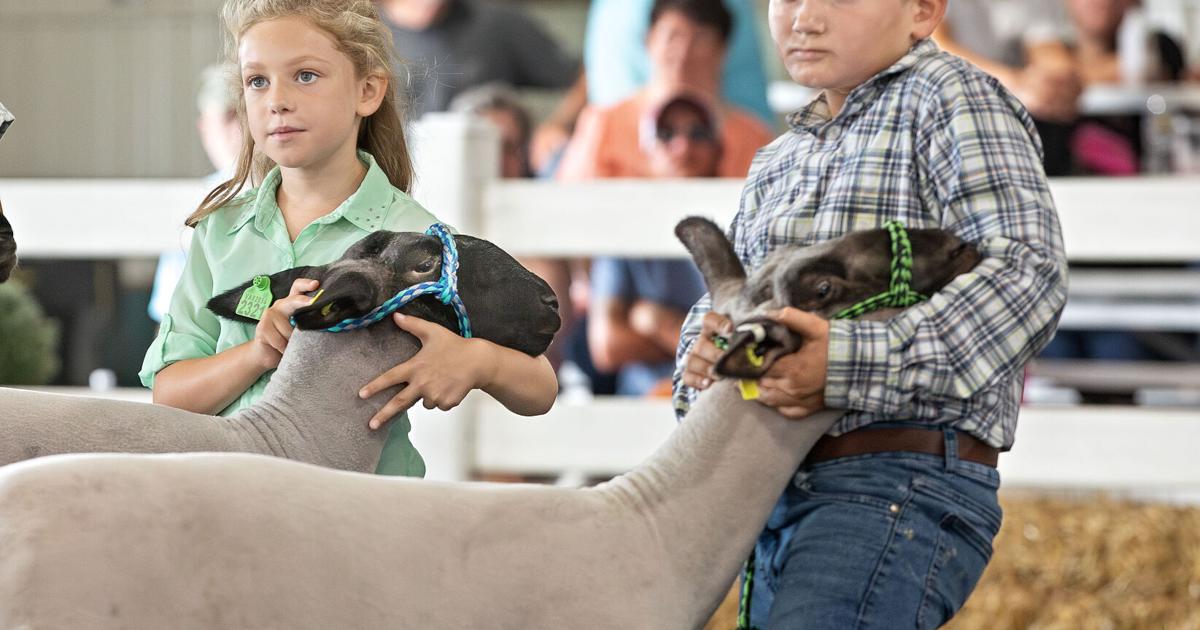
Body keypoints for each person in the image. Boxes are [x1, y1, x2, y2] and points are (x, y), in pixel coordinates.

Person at [673, 0, 1068, 626]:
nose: (803, 18)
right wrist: (705, 360)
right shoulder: (781, 158)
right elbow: (735, 301)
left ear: (921, 11)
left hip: (894, 480)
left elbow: (1025, 271)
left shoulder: (952, 99)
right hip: (774, 492)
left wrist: (842, 364)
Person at [139, 0, 557, 478]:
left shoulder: (417, 242)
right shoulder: (220, 230)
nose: (277, 99)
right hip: (234, 501)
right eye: (258, 81)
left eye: (306, 75)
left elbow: (539, 388)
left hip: (366, 510)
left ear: (368, 90)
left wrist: (475, 360)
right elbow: (169, 394)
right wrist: (257, 353)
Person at [557, 0, 774, 180]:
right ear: (648, 40)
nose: (683, 53)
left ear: (723, 50)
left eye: (700, 39)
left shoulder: (753, 137)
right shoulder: (602, 126)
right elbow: (570, 206)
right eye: (672, 36)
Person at [587, 94, 714, 396]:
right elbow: (607, 346)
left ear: (718, 148)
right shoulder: (626, 225)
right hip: (643, 404)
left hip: (718, 400)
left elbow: (737, 349)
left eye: (698, 133)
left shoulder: (745, 221)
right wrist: (698, 344)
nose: (683, 147)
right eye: (666, 134)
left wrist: (659, 323)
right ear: (645, 151)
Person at [932, 0, 1082, 175]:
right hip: (943, 116)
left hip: (1020, 122)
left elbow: (1046, 47)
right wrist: (1012, 85)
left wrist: (1055, 79)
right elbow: (935, 47)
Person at [149, 63, 244, 324]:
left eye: (236, 116)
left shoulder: (284, 183)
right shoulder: (196, 198)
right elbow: (168, 313)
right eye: (223, 119)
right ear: (204, 127)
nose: (232, 131)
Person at [375, 0, 579, 120]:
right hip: (394, 179)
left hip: (483, 176)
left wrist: (558, 125)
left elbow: (584, 77)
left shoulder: (496, 23)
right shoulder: (362, 33)